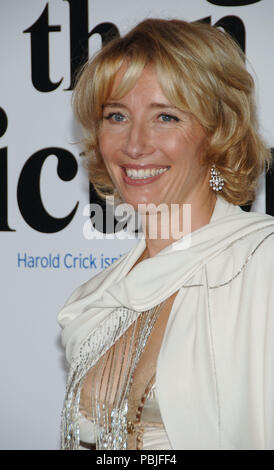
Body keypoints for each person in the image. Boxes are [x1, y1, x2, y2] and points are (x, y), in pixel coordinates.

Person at [57, 18, 274, 450]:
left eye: (166, 117)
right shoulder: (94, 300)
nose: (135, 145)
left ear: (217, 133)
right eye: (116, 116)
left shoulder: (262, 266)